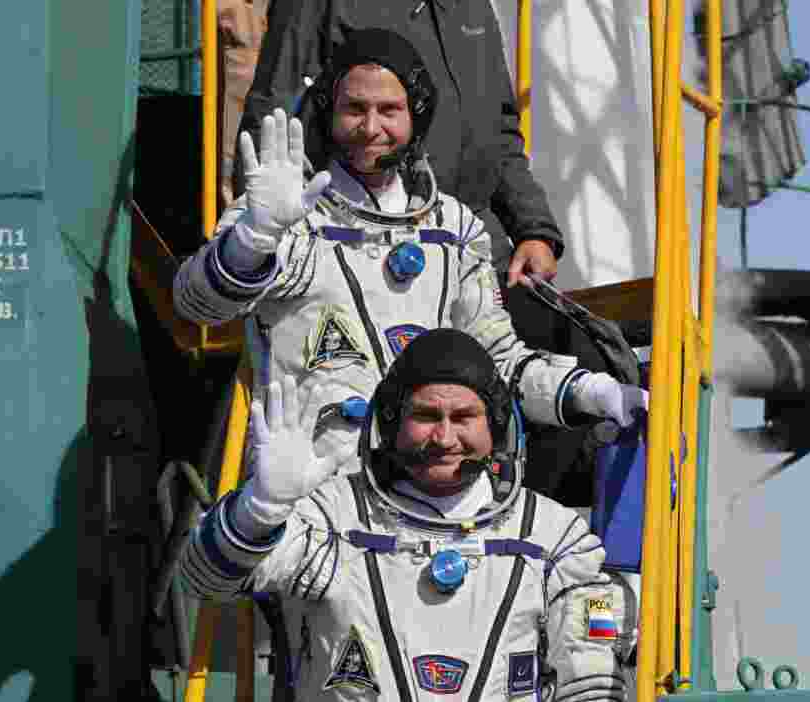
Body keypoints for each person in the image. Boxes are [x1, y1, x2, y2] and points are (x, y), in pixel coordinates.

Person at [174, 29, 647, 464]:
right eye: (354, 109)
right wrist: (254, 239)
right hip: (313, 492)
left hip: (429, 498)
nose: (371, 127)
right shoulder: (288, 213)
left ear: (416, 115)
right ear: (328, 114)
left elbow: (498, 364)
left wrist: (593, 392)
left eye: (389, 110)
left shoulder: (454, 230)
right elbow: (197, 305)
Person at [180, 328, 630, 701]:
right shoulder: (334, 519)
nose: (445, 437)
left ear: (495, 425)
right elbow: (203, 579)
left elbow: (590, 677)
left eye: (464, 416)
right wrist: (260, 509)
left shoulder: (553, 538)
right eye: (426, 415)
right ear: (392, 422)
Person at [234, 0, 562, 288]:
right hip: (372, 250)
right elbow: (274, 117)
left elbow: (500, 128)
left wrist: (534, 231)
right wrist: (260, 246)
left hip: (479, 248)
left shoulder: (473, 6)